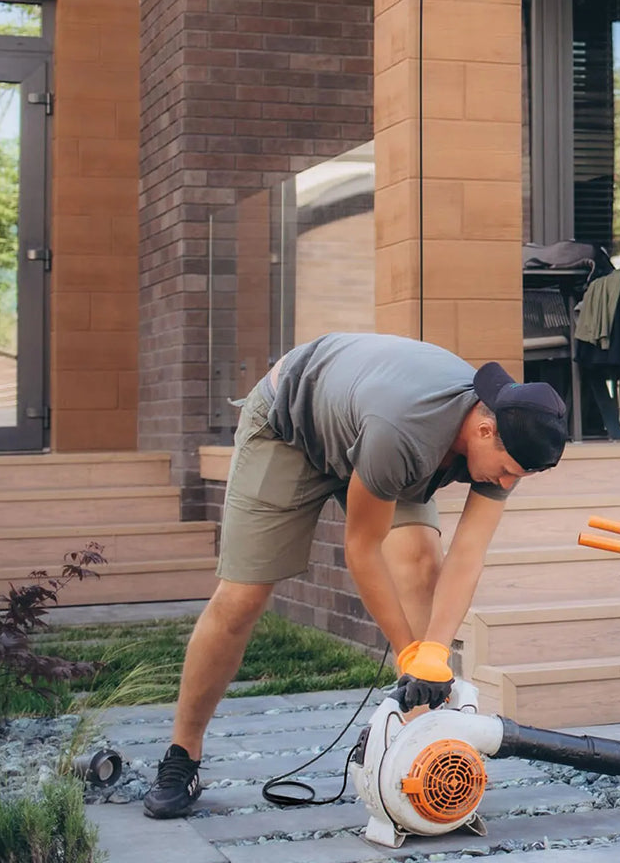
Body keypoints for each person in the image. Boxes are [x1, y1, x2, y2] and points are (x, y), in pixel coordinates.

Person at [143, 332, 568, 819]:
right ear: (484, 430)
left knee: (421, 562)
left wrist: (434, 653)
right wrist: (409, 653)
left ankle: (420, 738)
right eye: (509, 471)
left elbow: (468, 552)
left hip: (372, 433)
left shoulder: (515, 426)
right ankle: (182, 755)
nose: (508, 483)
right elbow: (361, 548)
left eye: (521, 477)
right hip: (291, 427)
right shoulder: (406, 431)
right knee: (242, 598)